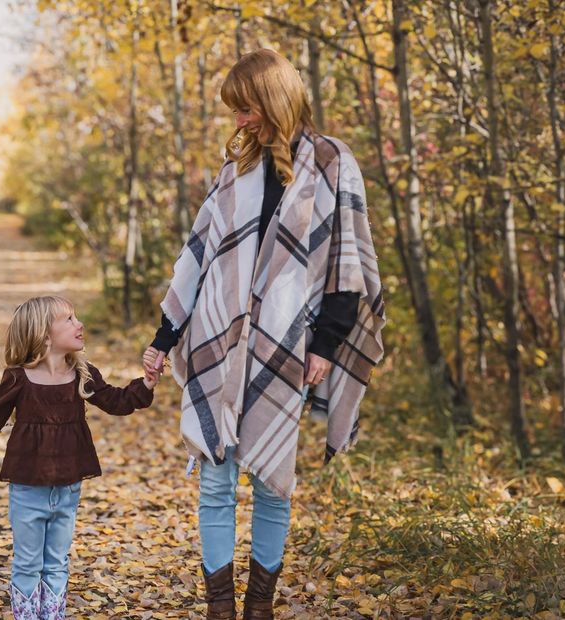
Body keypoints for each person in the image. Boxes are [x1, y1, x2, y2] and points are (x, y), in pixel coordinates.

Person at [142, 49, 386, 620]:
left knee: (274, 484)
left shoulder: (332, 162)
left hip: (290, 344)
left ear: (273, 99)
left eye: (246, 108)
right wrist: (163, 335)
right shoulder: (238, 169)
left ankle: (260, 609)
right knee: (216, 480)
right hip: (222, 341)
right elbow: (198, 255)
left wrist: (326, 344)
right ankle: (220, 610)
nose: (239, 121)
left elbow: (345, 262)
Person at [0, 296, 157, 620]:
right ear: (43, 334)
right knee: (28, 562)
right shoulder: (19, 378)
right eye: (68, 319)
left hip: (68, 487)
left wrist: (146, 383)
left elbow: (116, 400)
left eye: (76, 317)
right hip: (28, 489)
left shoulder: (82, 373)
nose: (78, 324)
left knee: (57, 562)